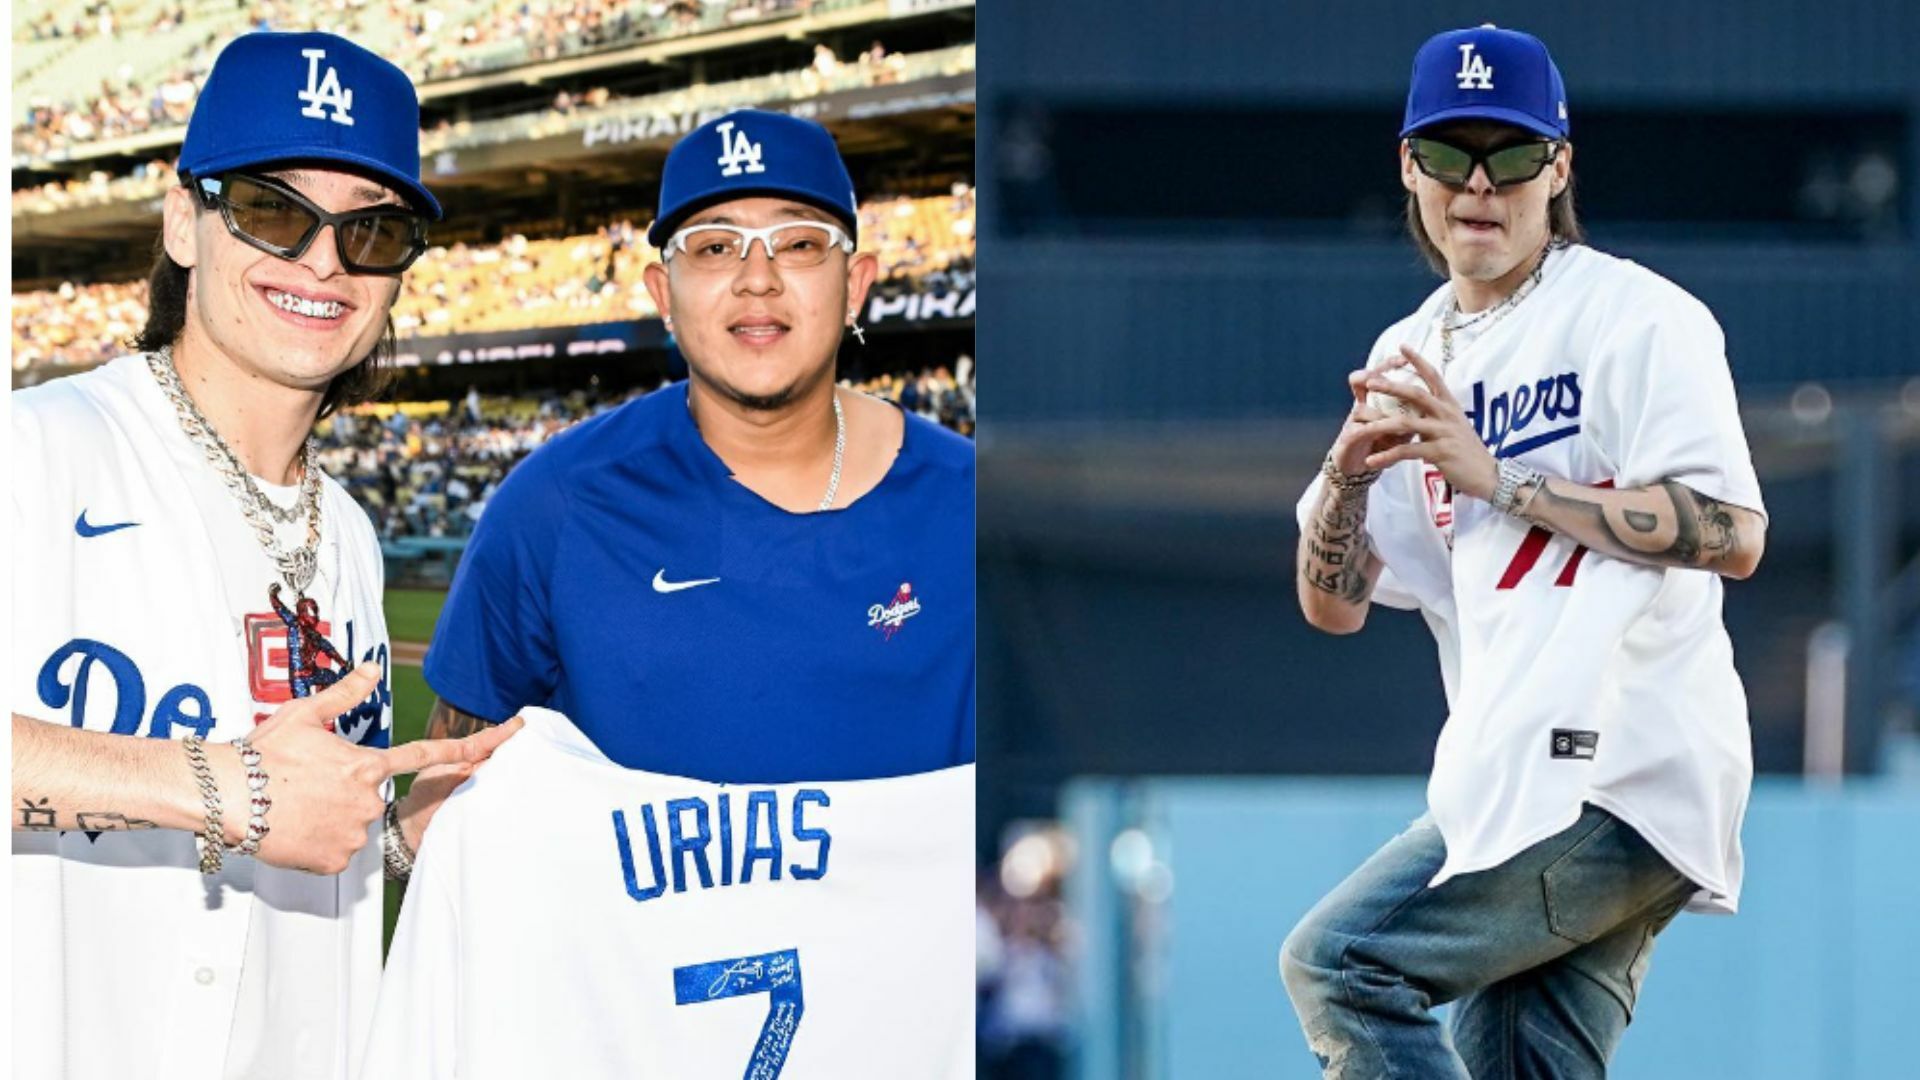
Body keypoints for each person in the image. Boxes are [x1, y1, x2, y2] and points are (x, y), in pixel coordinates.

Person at [363, 108, 975, 1077]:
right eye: (714, 244)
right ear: (661, 290)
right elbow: (445, 801)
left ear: (857, 281)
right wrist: (416, 850)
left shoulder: (973, 512)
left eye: (799, 242)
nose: (758, 276)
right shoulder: (552, 511)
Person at [11, 32, 519, 1080]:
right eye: (274, 211)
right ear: (184, 222)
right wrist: (215, 785)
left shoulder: (351, 537)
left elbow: (293, 839)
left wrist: (399, 837)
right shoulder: (36, 447)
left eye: (371, 230)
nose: (323, 263)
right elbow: (244, 798)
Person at [1280, 25, 1768, 1079]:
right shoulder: (1406, 354)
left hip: (1619, 766)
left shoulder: (1635, 316)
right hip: (1504, 779)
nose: (1480, 186)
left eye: (1511, 154)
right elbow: (1336, 606)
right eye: (1453, 154)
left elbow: (1735, 535)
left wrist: (1499, 476)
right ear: (1411, 166)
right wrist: (1352, 482)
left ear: (1559, 166)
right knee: (1515, 1064)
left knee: (1340, 966)